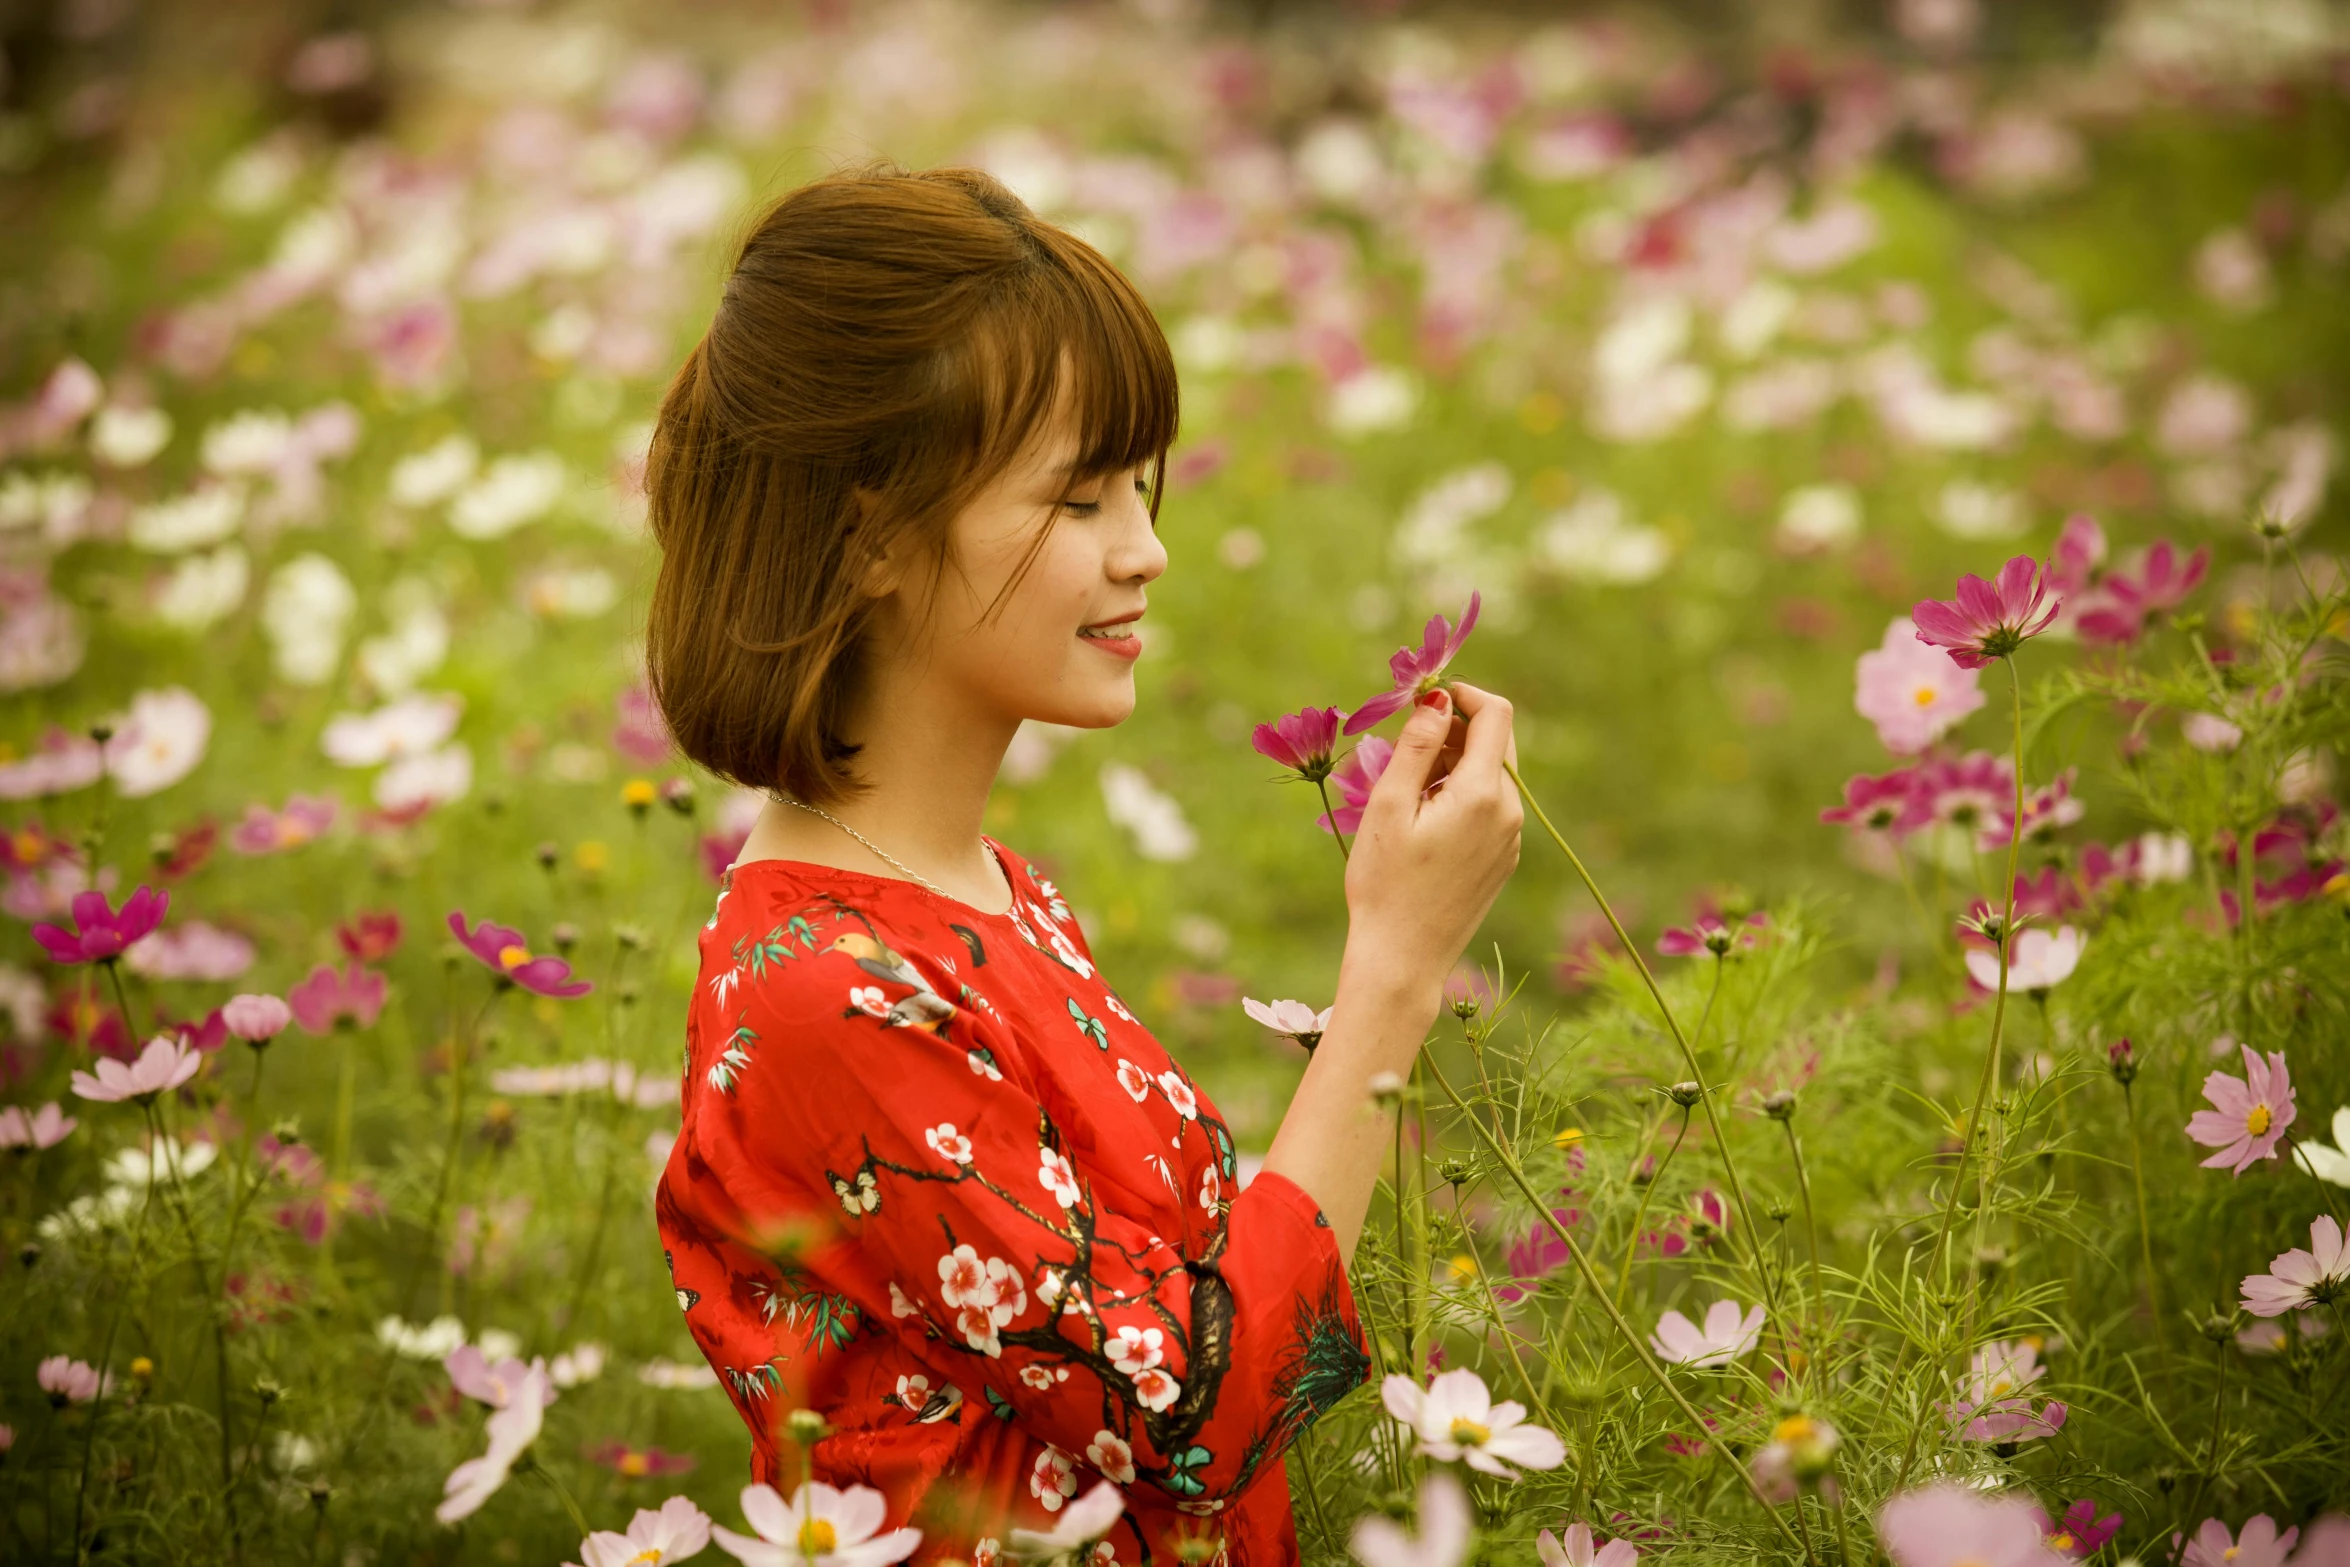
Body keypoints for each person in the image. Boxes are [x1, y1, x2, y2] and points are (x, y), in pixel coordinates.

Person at [643, 161, 1521, 1567]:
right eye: (1079, 501)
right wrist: (1394, 969)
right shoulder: (827, 993)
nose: (1148, 549)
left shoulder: (977, 893)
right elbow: (1192, 1415)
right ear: (867, 534)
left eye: (1137, 488)